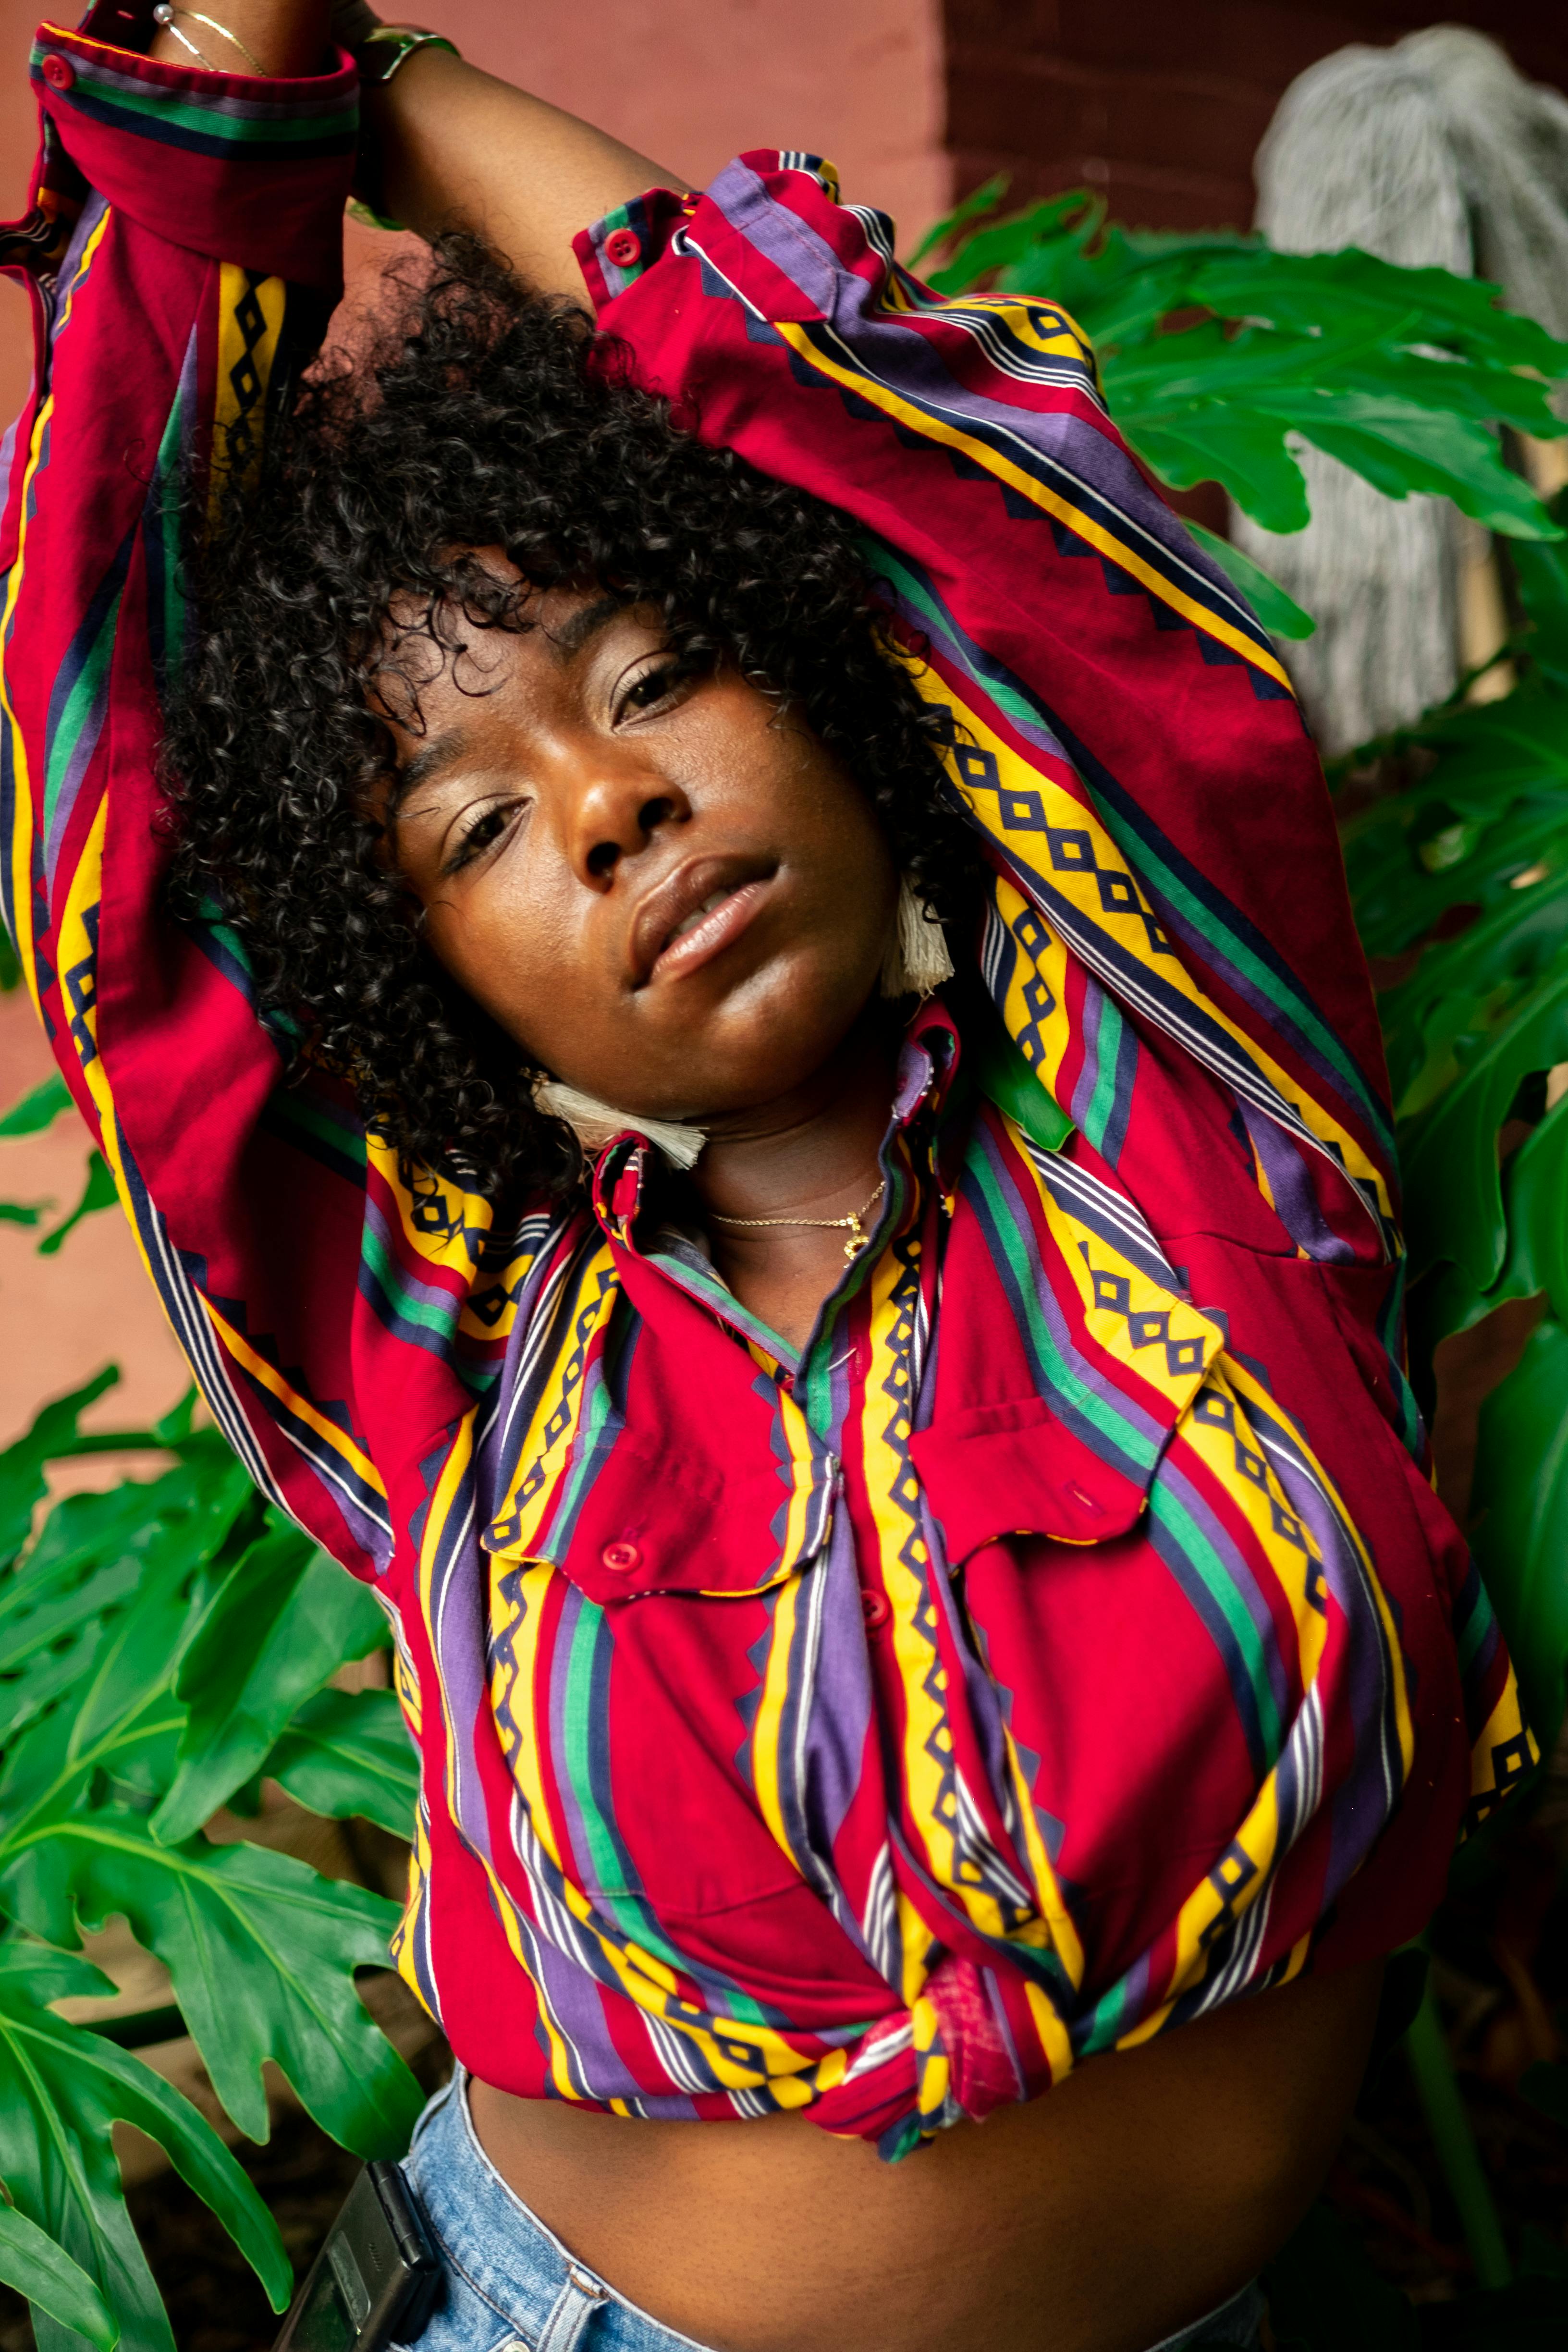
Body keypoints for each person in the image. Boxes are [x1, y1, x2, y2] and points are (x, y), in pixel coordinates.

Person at [0, 6, 1532, 2349]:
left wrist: (374, 85)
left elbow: (1000, 535)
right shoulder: (444, 1361)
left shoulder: (1191, 1129)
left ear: (823, 680)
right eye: (482, 827)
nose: (605, 805)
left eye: (654, 678)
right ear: (419, 975)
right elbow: (127, 849)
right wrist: (211, 132)